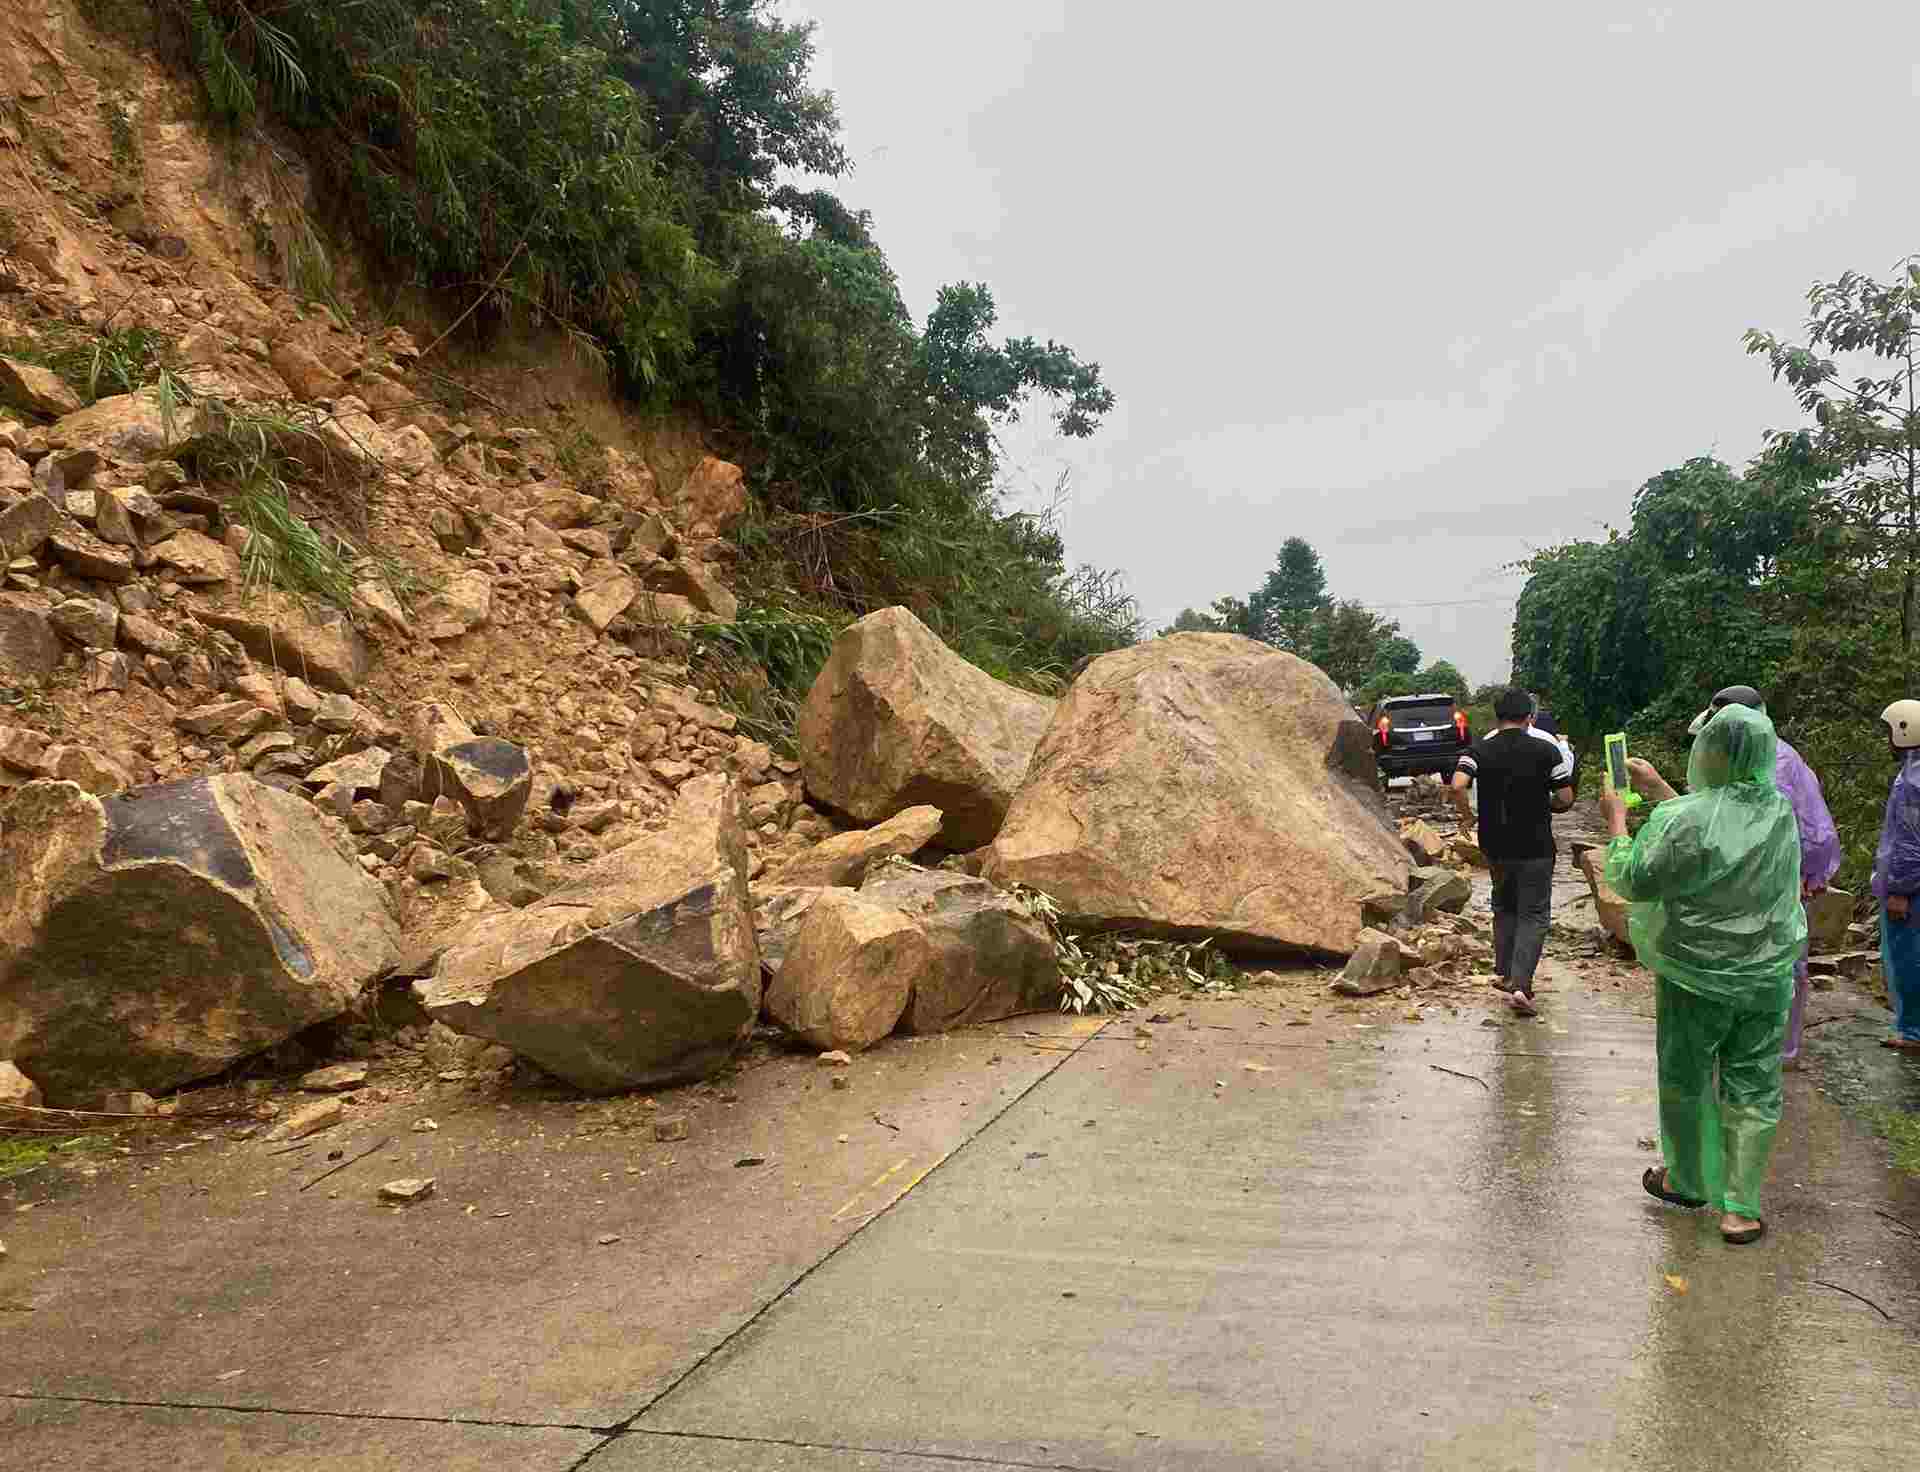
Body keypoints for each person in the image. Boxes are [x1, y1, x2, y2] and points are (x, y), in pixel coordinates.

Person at [1603, 704, 1803, 1245]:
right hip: (1764, 977)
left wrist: (1617, 821)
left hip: (1695, 976)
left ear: (1708, 753)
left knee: (1687, 1080)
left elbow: (1635, 879)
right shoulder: (1779, 812)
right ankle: (1741, 1209)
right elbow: (1721, 835)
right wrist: (1663, 787)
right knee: (1755, 1085)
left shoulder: (1683, 820)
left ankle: (1687, 1181)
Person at [1633, 684, 1840, 1068]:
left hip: (1749, 886)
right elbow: (1715, 819)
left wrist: (1810, 873)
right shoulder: (1773, 760)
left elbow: (1708, 826)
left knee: (1750, 966)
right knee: (1770, 966)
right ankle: (1768, 1051)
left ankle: (1762, 1050)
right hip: (1767, 887)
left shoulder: (1756, 765)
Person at [1449, 688, 1575, 1014]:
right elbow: (1566, 798)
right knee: (1533, 914)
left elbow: (1458, 784)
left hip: (1495, 844)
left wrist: (1467, 815)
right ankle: (1521, 985)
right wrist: (1548, 803)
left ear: (1497, 716)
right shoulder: (1546, 751)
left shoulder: (1478, 749)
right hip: (1536, 846)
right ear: (1529, 717)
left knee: (1504, 906)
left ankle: (1505, 973)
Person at [1873, 699, 1920, 1053]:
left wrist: (1900, 889)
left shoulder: (1912, 781)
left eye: (1890, 732)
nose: (1887, 740)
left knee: (1908, 958)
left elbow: (1907, 842)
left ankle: (1912, 1030)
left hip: (1911, 889)